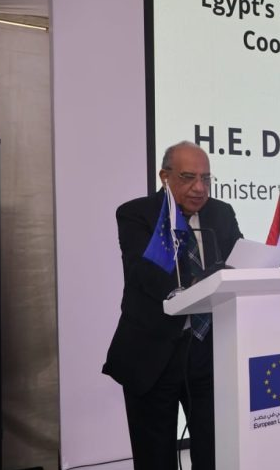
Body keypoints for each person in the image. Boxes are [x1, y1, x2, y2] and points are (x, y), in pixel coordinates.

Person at [103, 141, 242, 469]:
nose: (199, 188)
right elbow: (144, 274)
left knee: (216, 455)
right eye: (188, 177)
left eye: (206, 178)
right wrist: (196, 286)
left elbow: (238, 264)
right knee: (155, 460)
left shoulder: (221, 213)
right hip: (153, 356)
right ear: (165, 177)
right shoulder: (137, 214)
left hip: (209, 355)